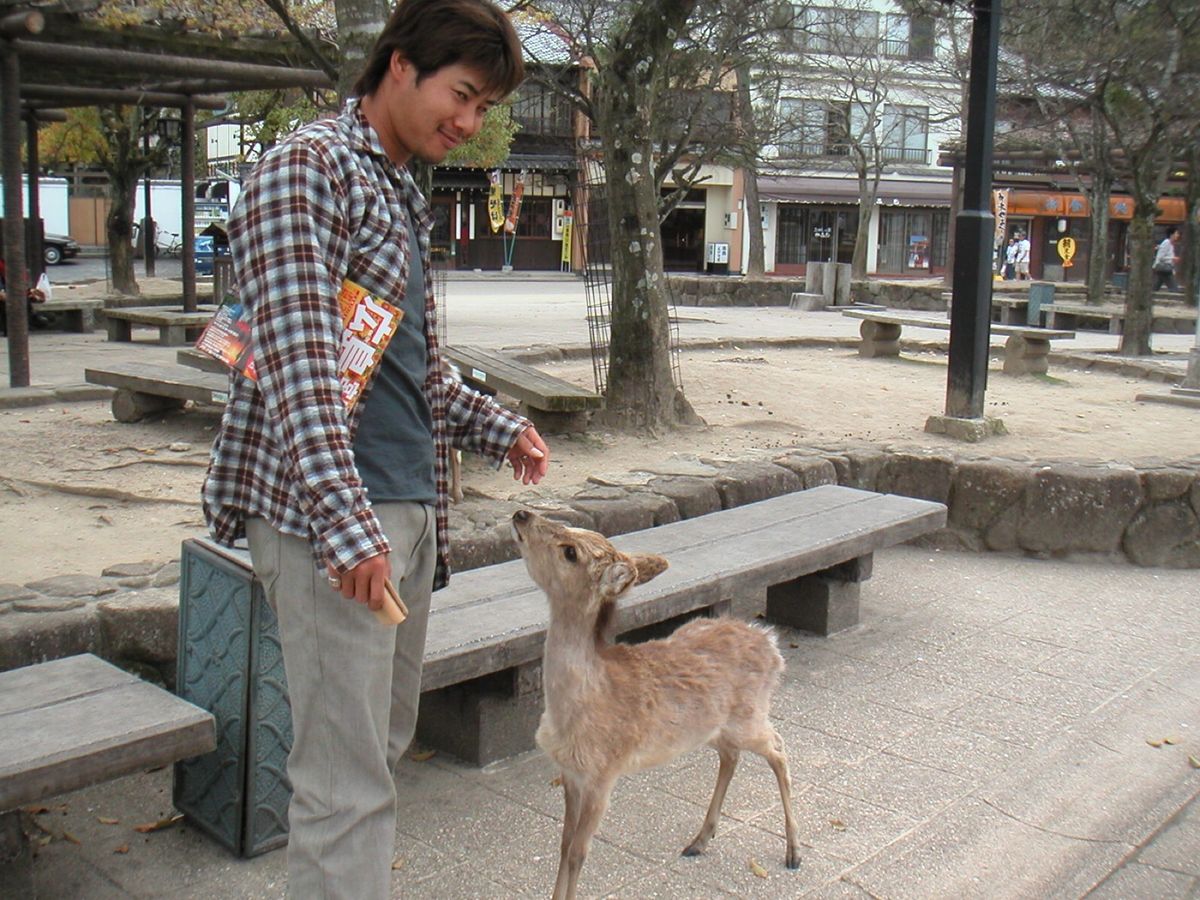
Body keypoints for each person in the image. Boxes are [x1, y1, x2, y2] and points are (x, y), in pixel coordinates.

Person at [201, 1, 548, 895]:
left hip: (407, 505)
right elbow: (299, 368)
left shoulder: (396, 187)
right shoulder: (306, 169)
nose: (469, 124)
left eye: (482, 107)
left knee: (379, 752)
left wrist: (497, 424)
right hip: (334, 520)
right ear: (399, 65)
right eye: (462, 96)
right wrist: (344, 525)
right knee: (343, 781)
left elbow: (404, 368)